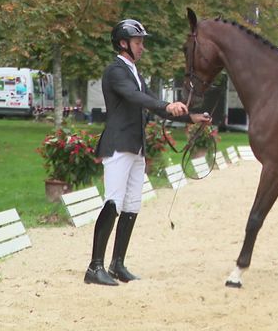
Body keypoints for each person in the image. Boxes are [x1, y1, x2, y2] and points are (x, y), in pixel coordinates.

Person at [84, 19, 210, 286]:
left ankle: (117, 264)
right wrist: (167, 104)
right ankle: (95, 267)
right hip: (118, 144)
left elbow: (152, 104)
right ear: (123, 43)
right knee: (113, 202)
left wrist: (192, 117)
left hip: (136, 146)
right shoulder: (116, 71)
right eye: (139, 42)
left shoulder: (135, 73)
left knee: (131, 205)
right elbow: (136, 98)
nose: (142, 47)